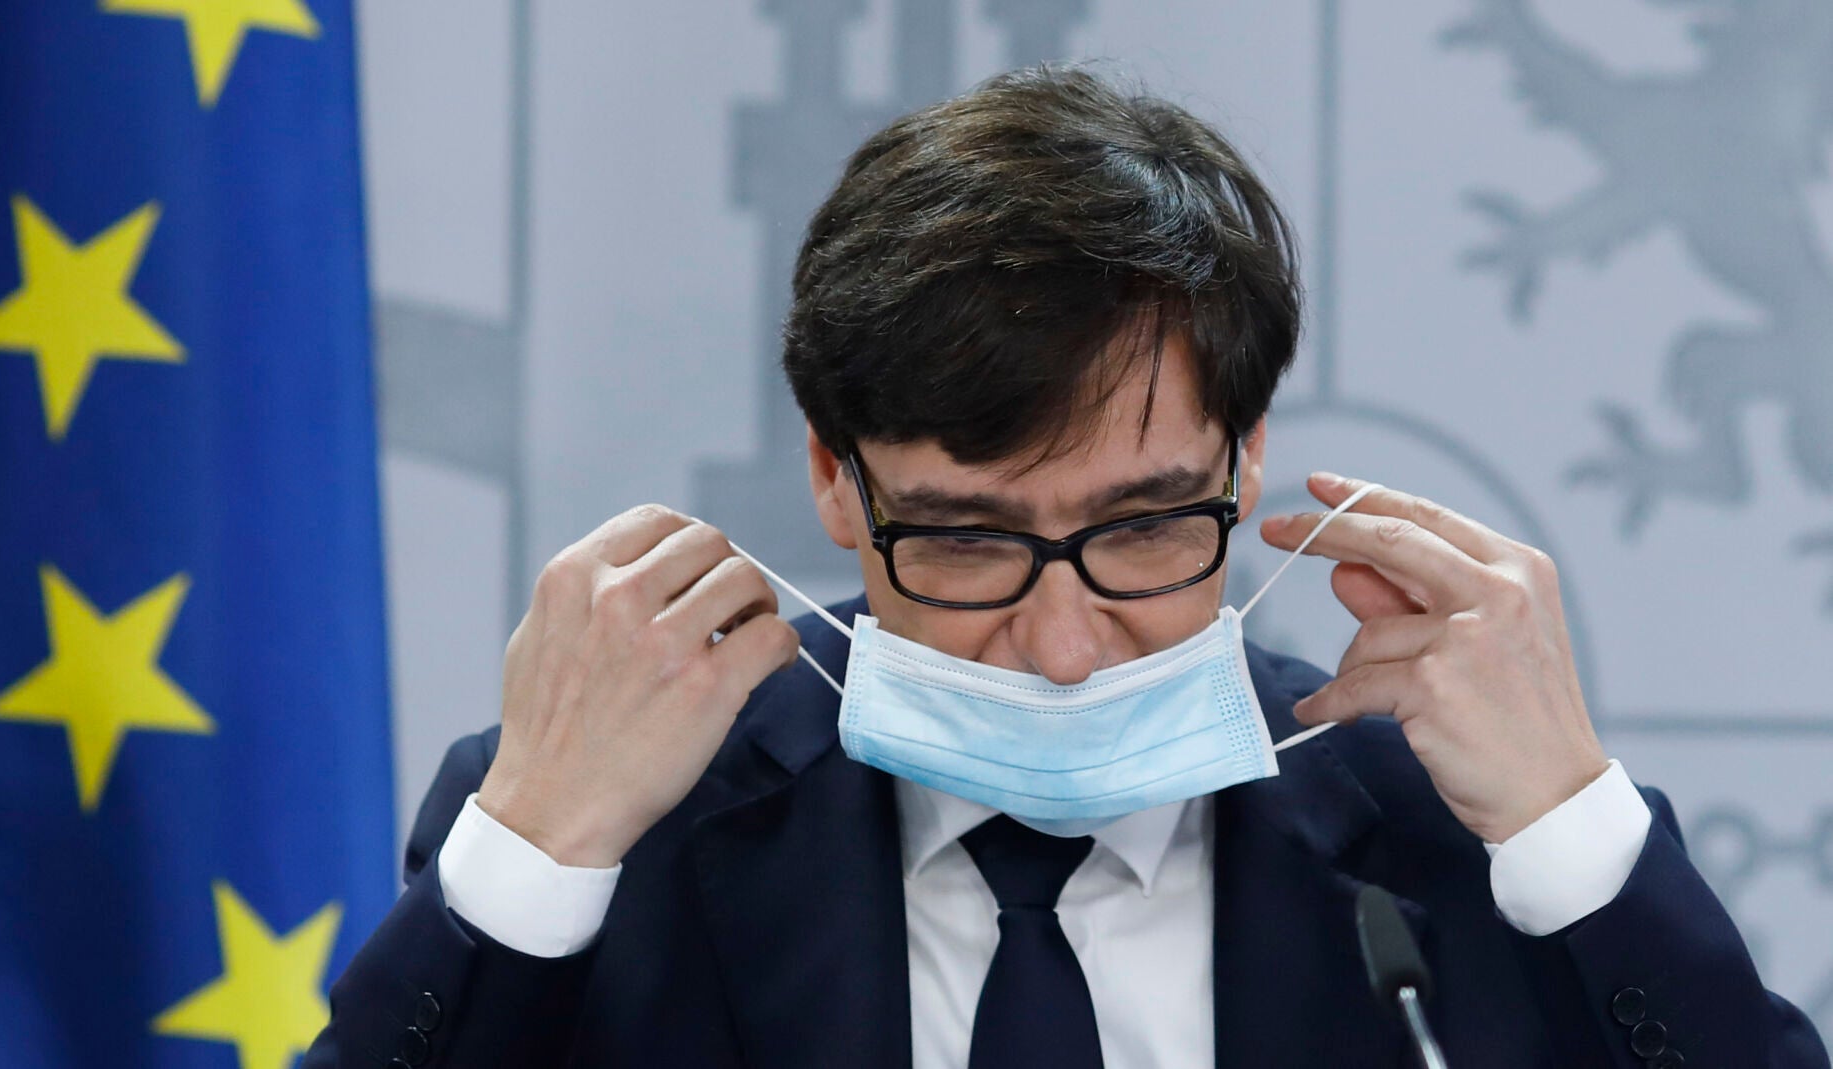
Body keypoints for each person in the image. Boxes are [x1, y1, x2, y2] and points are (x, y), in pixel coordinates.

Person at [304, 67, 1829, 1068]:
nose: (1065, 646)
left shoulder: (1458, 834)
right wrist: (534, 850)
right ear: (834, 478)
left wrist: (1574, 831)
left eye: (1144, 529)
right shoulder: (617, 822)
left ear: (1244, 462)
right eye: (968, 538)